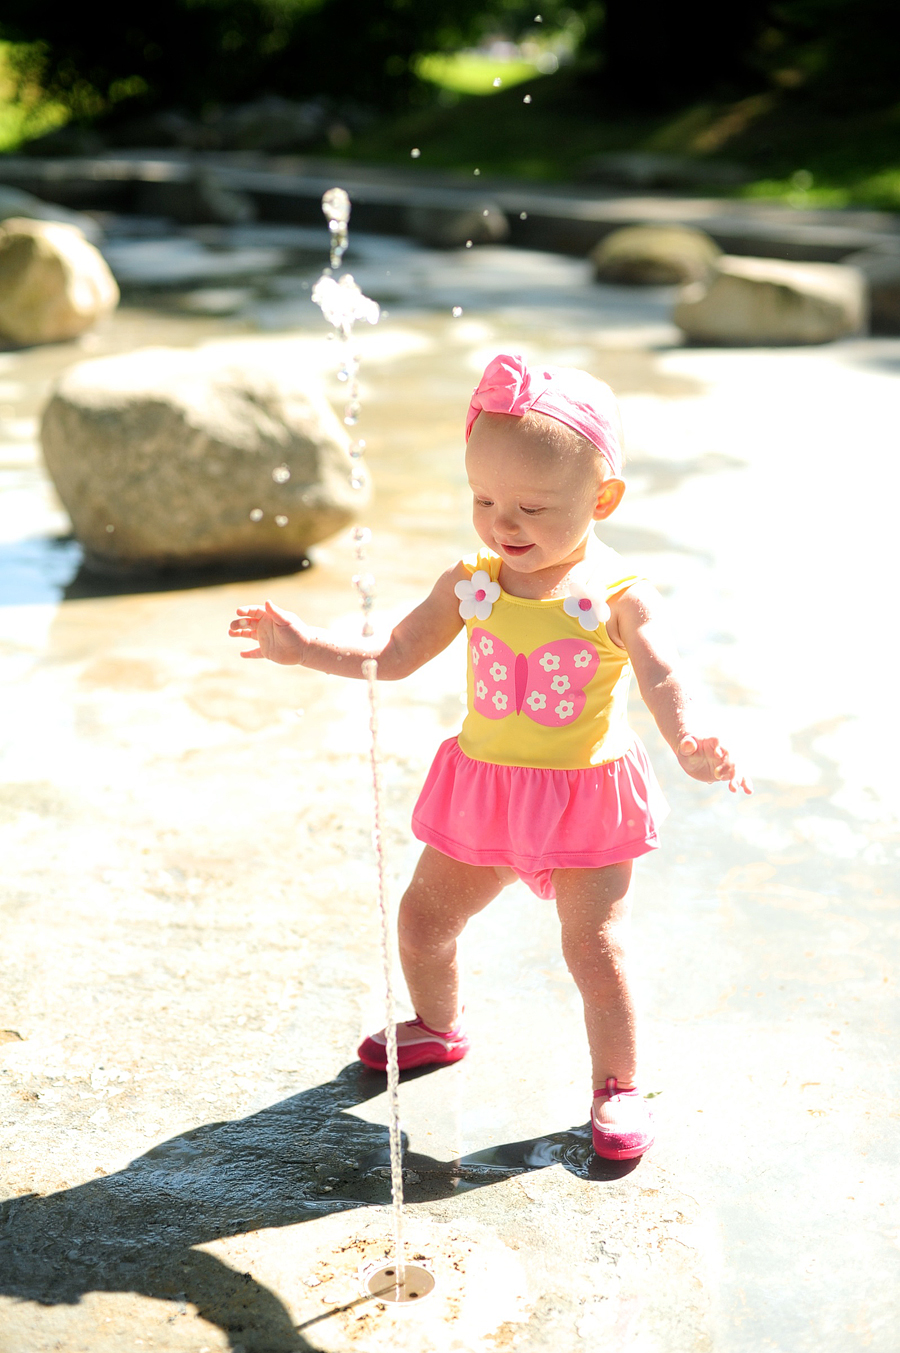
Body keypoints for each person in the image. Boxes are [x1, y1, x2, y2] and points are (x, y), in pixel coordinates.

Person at [228, 353, 751, 1161]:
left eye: (533, 507)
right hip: (486, 794)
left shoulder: (615, 596)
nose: (504, 524)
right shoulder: (471, 583)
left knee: (595, 948)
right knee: (423, 920)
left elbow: (662, 672)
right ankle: (440, 1024)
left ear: (601, 499)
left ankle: (617, 1084)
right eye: (484, 499)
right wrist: (304, 648)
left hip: (584, 798)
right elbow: (395, 651)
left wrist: (690, 738)